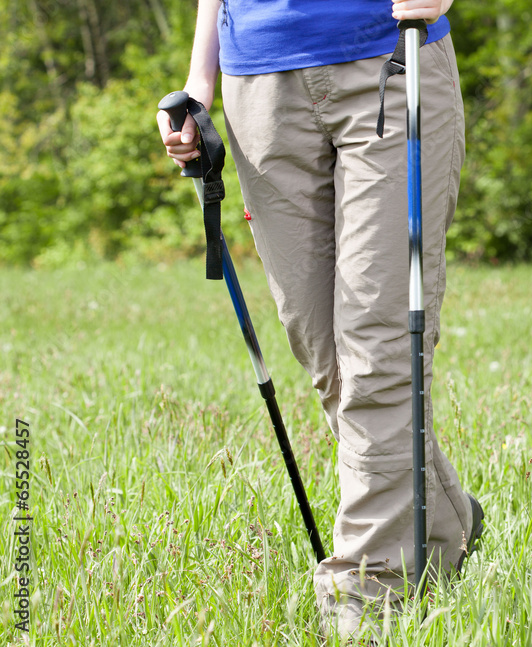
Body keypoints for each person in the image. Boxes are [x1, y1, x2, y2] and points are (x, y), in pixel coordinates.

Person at [157, 0, 483, 639]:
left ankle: (366, 595)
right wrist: (201, 80)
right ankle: (444, 519)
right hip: (259, 83)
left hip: (386, 57)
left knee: (378, 348)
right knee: (326, 356)